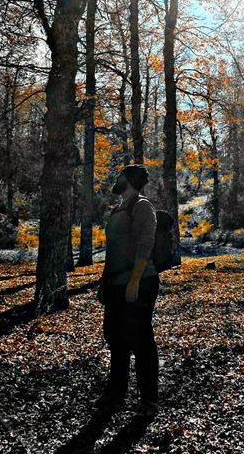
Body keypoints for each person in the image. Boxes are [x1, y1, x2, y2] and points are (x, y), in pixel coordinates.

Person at [94, 164, 160, 419]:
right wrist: (105, 282)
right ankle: (115, 392)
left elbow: (146, 244)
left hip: (140, 283)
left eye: (120, 174)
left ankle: (149, 400)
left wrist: (134, 281)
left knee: (141, 340)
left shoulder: (142, 206)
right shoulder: (119, 208)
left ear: (129, 180)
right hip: (115, 283)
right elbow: (114, 250)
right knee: (116, 338)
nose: (116, 178)